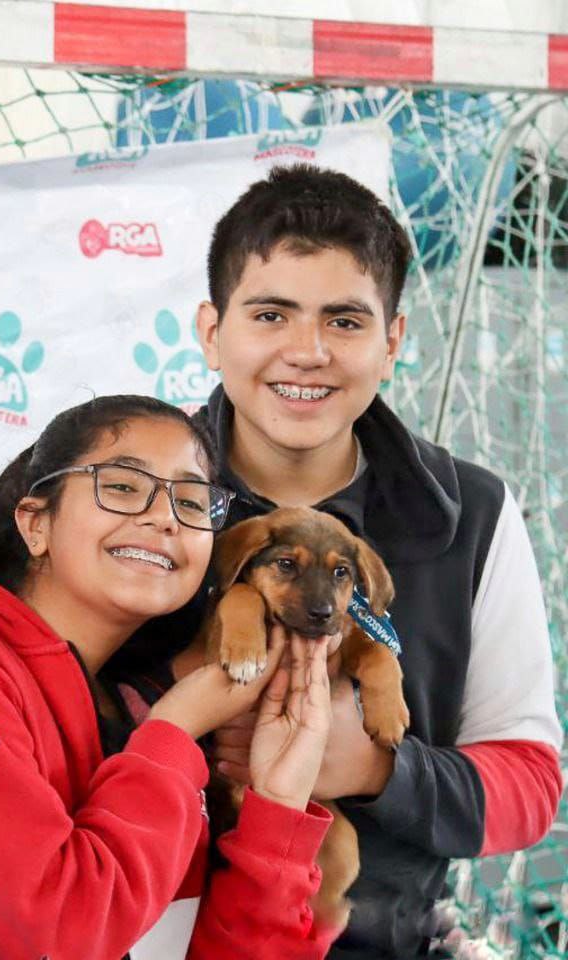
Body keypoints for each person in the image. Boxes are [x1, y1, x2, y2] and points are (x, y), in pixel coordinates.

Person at [0, 394, 342, 959]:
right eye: (122, 486)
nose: (164, 516)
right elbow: (62, 929)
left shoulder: (141, 708)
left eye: (192, 501)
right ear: (34, 524)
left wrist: (277, 803)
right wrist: (173, 732)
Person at [186, 164, 563, 958]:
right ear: (211, 331)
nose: (308, 351)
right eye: (271, 314)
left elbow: (530, 787)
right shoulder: (138, 500)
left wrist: (374, 769)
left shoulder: (473, 517)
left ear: (393, 341)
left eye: (346, 321)